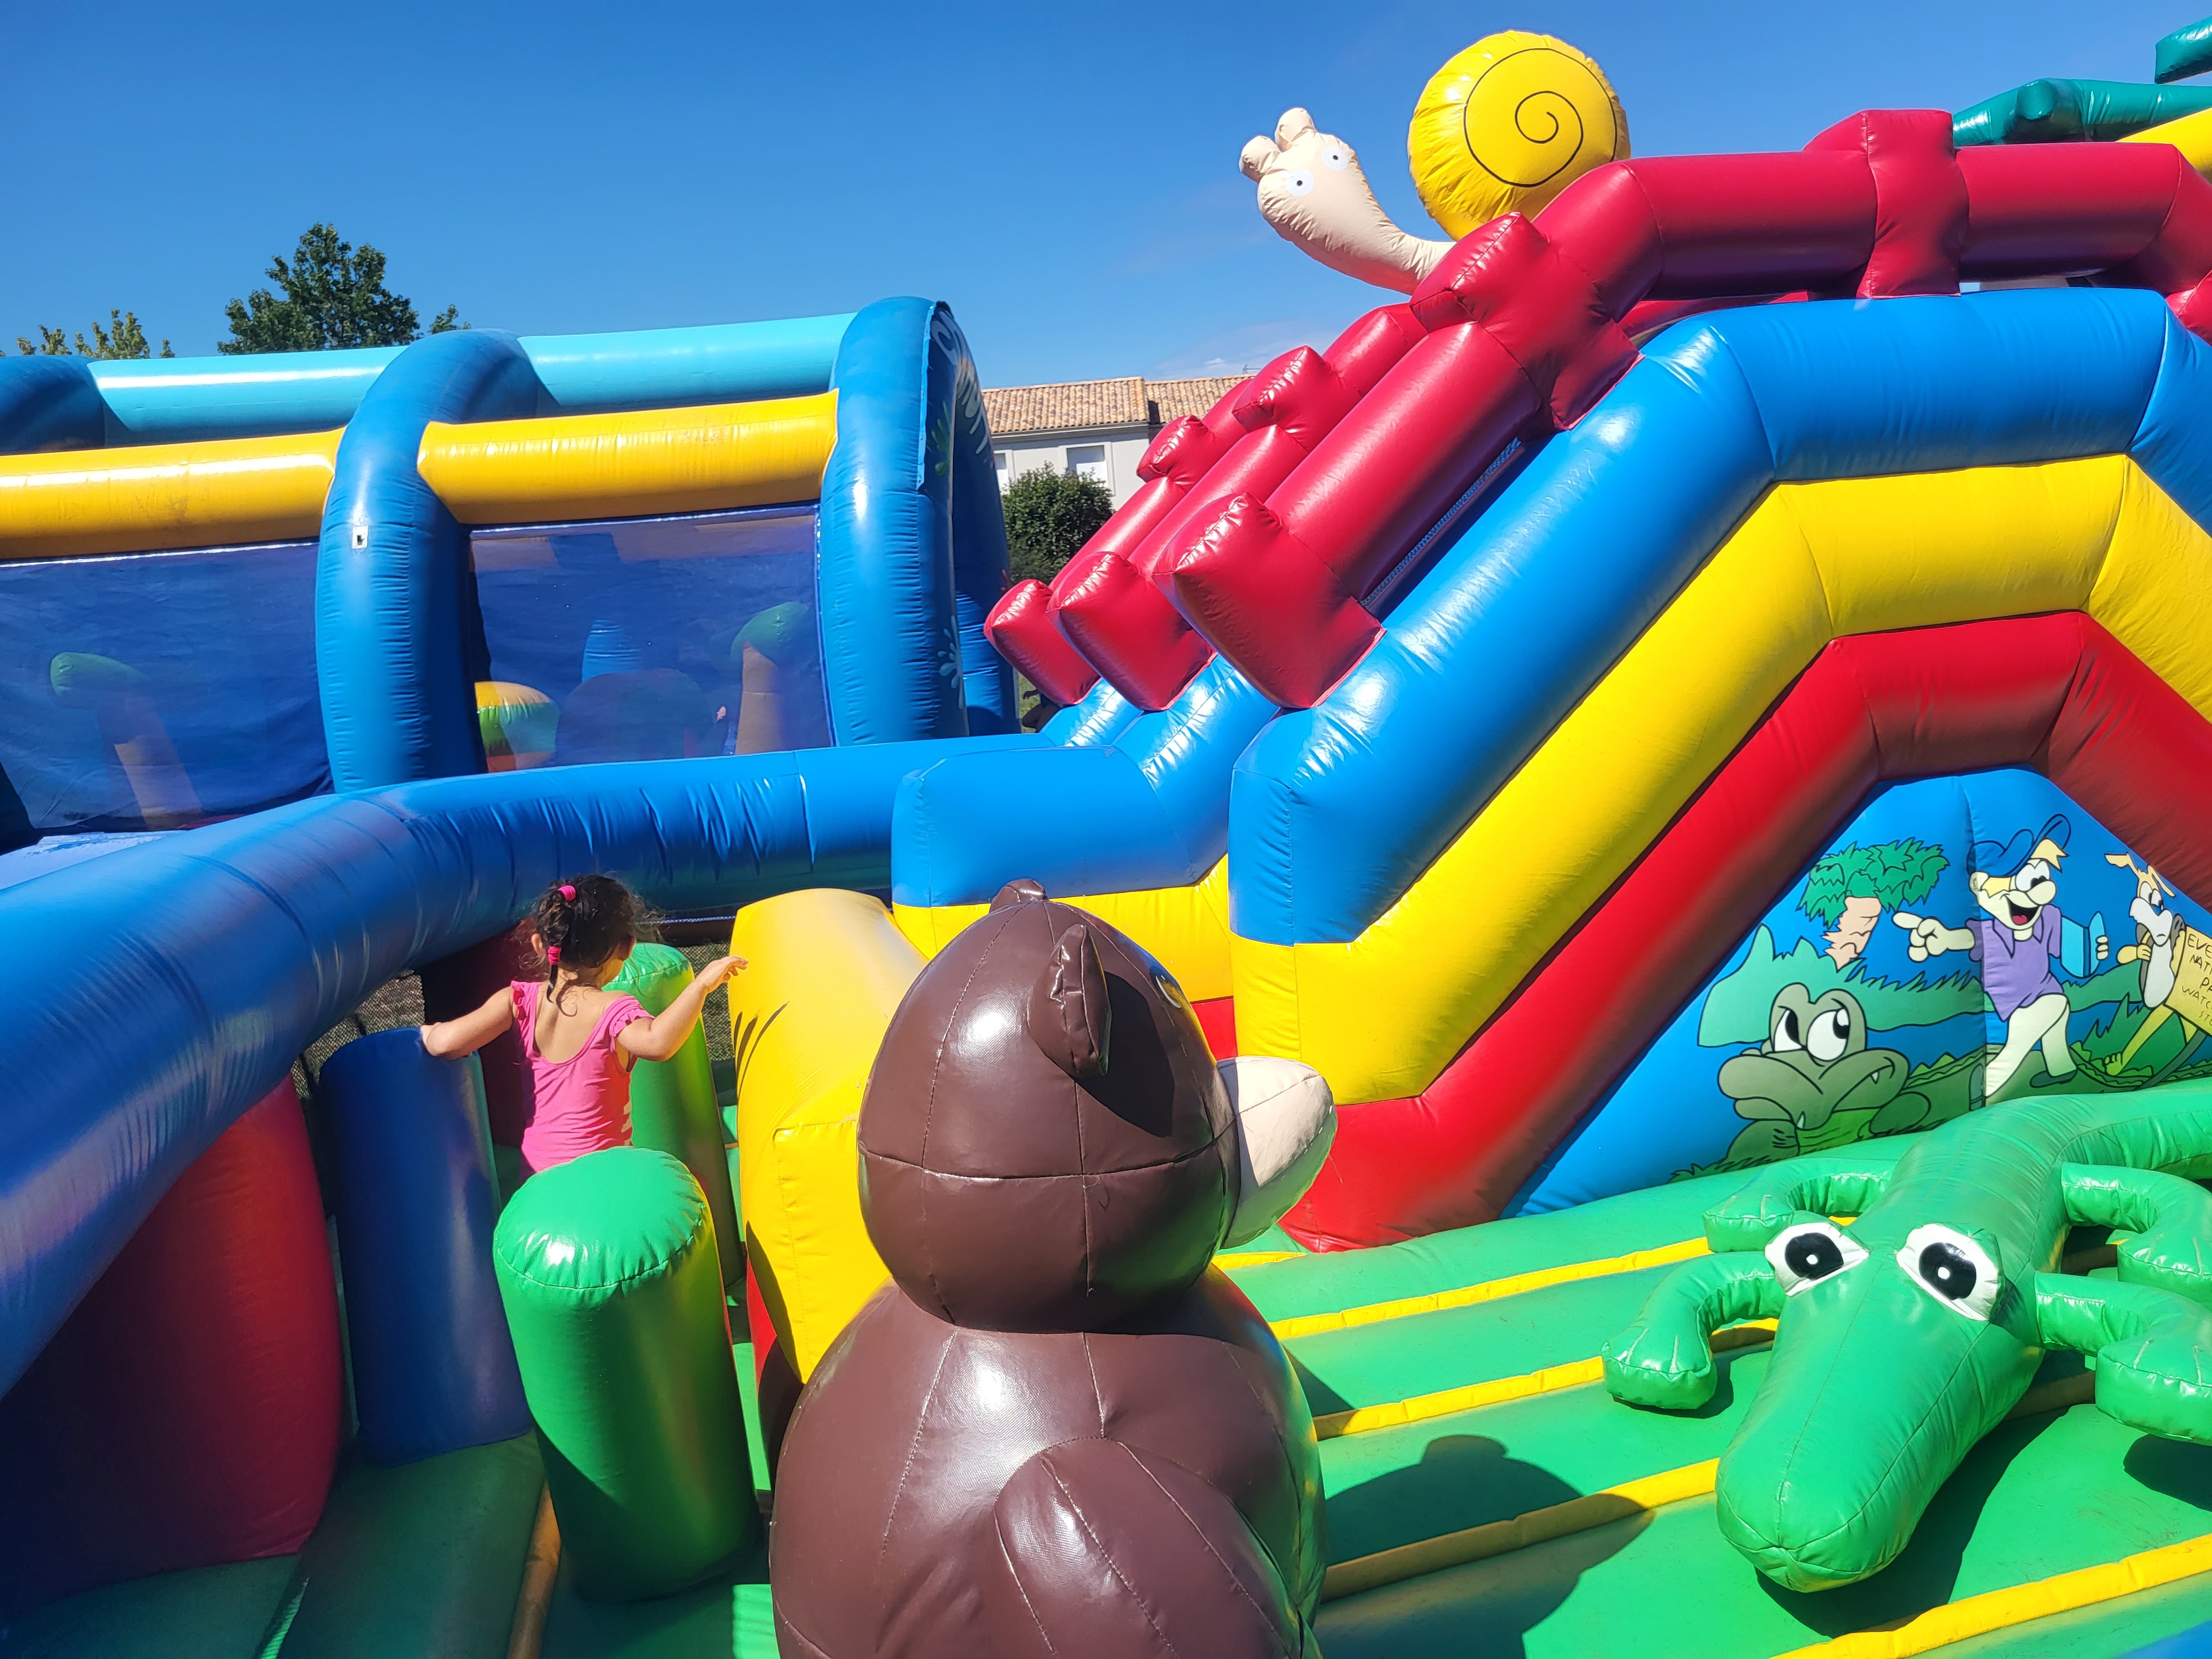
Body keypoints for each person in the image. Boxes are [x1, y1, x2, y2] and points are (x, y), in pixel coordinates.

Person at [420, 875, 743, 1176]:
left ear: (539, 944)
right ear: (628, 947)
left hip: (539, 1177)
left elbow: (444, 1044)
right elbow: (658, 1043)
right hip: (602, 1176)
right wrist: (701, 985)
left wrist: (424, 1033)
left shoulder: (517, 1001)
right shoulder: (613, 1008)